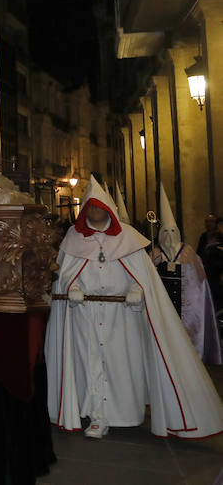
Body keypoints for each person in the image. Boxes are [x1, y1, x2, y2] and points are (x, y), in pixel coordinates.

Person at [46, 176, 223, 439]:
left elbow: (144, 278)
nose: (94, 212)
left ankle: (124, 413)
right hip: (84, 315)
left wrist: (136, 290)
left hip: (123, 317)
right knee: (89, 363)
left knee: (121, 365)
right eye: (89, 207)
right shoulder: (73, 237)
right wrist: (71, 288)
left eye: (98, 207)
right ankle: (97, 415)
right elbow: (65, 275)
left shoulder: (128, 238)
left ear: (107, 210)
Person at [151, 185, 221, 364]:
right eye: (165, 231)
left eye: (173, 231)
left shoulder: (188, 252)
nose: (169, 235)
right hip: (164, 302)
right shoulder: (156, 253)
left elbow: (199, 282)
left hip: (185, 305)